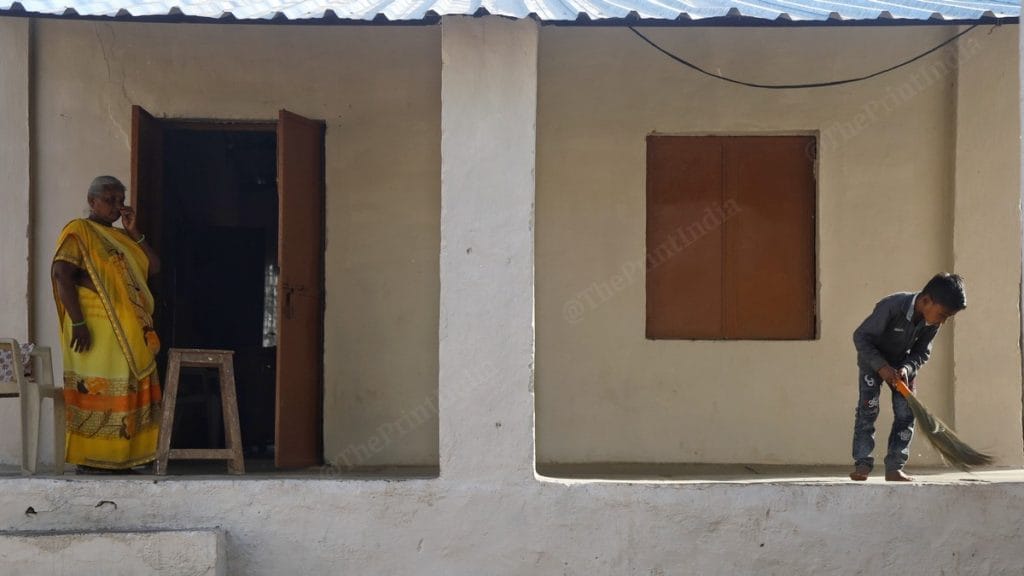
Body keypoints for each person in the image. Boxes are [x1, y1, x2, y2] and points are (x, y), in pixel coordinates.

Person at [51, 175, 162, 474]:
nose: (116, 206)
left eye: (120, 200)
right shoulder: (79, 231)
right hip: (95, 327)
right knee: (98, 384)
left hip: (130, 327)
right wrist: (78, 323)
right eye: (110, 200)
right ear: (92, 201)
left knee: (128, 384)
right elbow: (63, 274)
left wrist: (134, 230)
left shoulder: (123, 238)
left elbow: (154, 267)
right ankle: (92, 459)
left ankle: (127, 456)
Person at [850, 273, 967, 482]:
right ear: (925, 301)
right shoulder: (891, 306)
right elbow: (861, 337)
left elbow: (922, 353)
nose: (944, 321)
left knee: (906, 415)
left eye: (948, 317)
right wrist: (881, 367)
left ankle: (895, 467)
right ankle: (862, 465)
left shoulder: (933, 323)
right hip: (872, 363)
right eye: (943, 315)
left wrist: (906, 369)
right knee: (868, 411)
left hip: (902, 368)